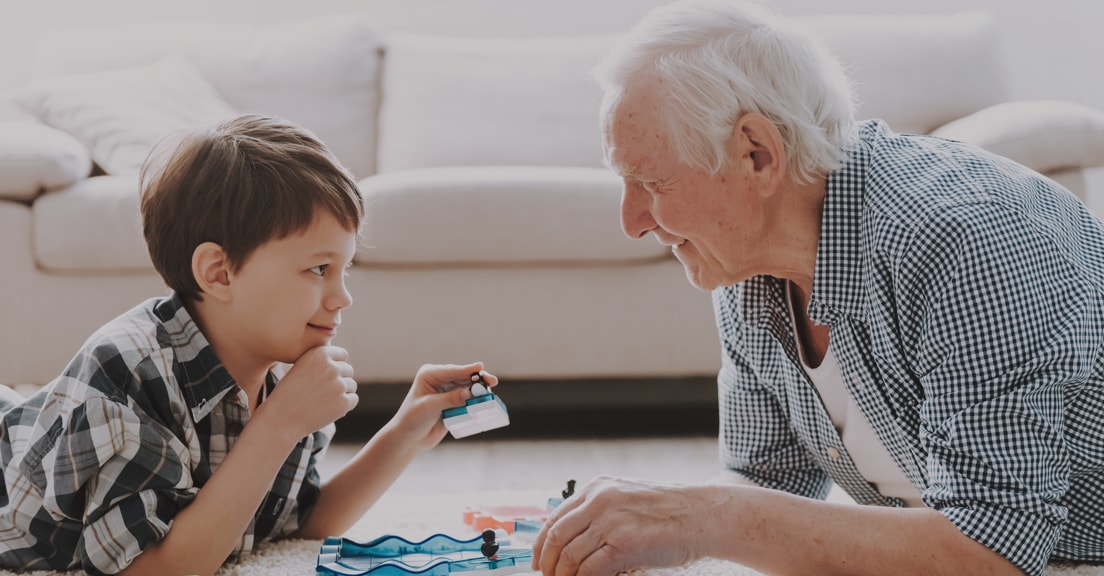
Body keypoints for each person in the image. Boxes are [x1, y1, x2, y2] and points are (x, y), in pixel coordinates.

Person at [531, 1, 1104, 575]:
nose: (631, 222)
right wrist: (652, 531)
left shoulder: (962, 241)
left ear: (757, 154)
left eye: (651, 182)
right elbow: (765, 482)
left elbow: (993, 551)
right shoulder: (747, 266)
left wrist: (701, 517)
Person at [0, 114, 497, 575]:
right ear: (219, 273)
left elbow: (299, 524)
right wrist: (278, 424)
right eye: (318, 269)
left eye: (344, 270)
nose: (343, 296)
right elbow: (151, 569)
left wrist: (403, 432)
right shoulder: (128, 373)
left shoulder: (281, 365)